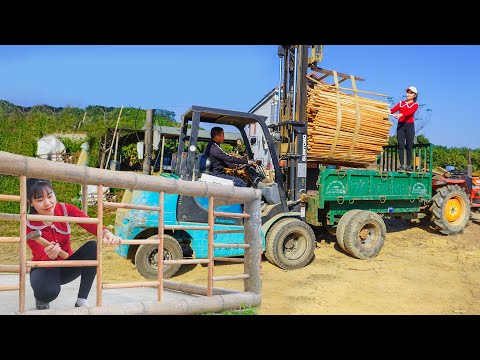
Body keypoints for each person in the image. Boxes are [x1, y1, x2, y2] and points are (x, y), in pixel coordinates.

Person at [25, 178, 122, 310]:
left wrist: (106, 233)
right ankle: (41, 296)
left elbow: (90, 224)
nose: (47, 203)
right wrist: (50, 255)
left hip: (67, 264)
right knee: (48, 291)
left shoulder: (65, 209)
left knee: (92, 247)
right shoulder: (28, 223)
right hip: (44, 267)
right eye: (39, 200)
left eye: (50, 196)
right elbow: (40, 254)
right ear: (31, 203)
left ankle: (81, 300)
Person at [391, 86, 419, 172]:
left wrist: (401, 115)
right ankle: (402, 165)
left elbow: (410, 112)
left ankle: (409, 166)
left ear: (414, 95)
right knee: (401, 145)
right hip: (401, 126)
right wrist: (384, 110)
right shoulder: (401, 103)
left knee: (409, 146)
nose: (408, 94)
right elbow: (392, 110)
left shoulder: (415, 105)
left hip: (409, 126)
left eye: (410, 93)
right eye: (407, 92)